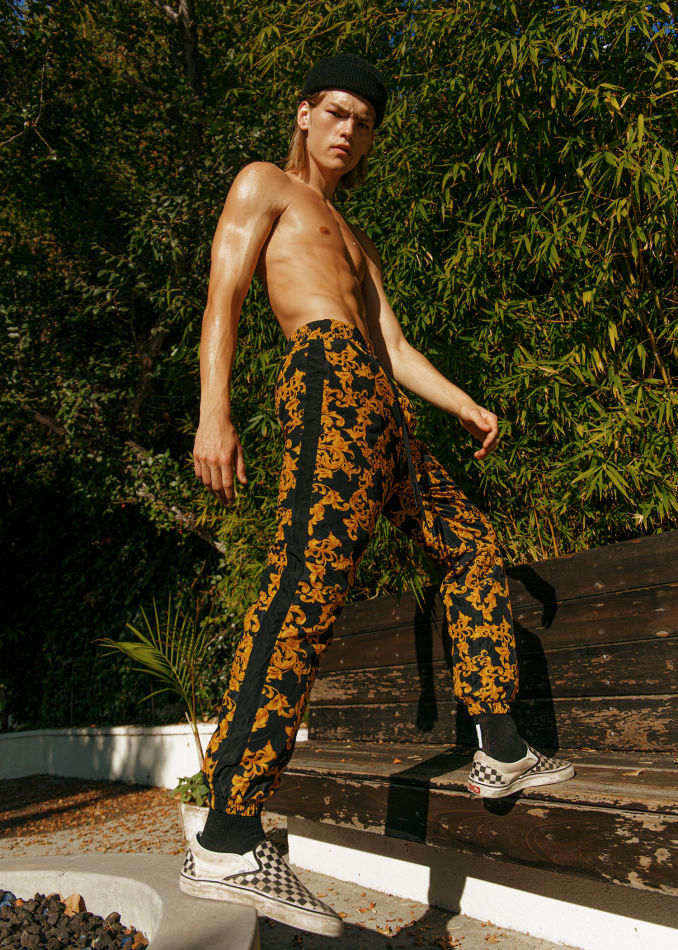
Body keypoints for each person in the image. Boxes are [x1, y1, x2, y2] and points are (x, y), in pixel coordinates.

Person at [182, 53, 574, 937]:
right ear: (305, 113)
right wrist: (214, 411)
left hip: (380, 409)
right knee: (306, 586)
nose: (349, 131)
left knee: (469, 543)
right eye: (337, 113)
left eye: (363, 123)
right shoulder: (265, 185)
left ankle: (499, 748)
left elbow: (393, 348)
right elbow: (224, 295)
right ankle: (229, 835)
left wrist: (463, 404)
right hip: (322, 376)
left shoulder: (358, 241)